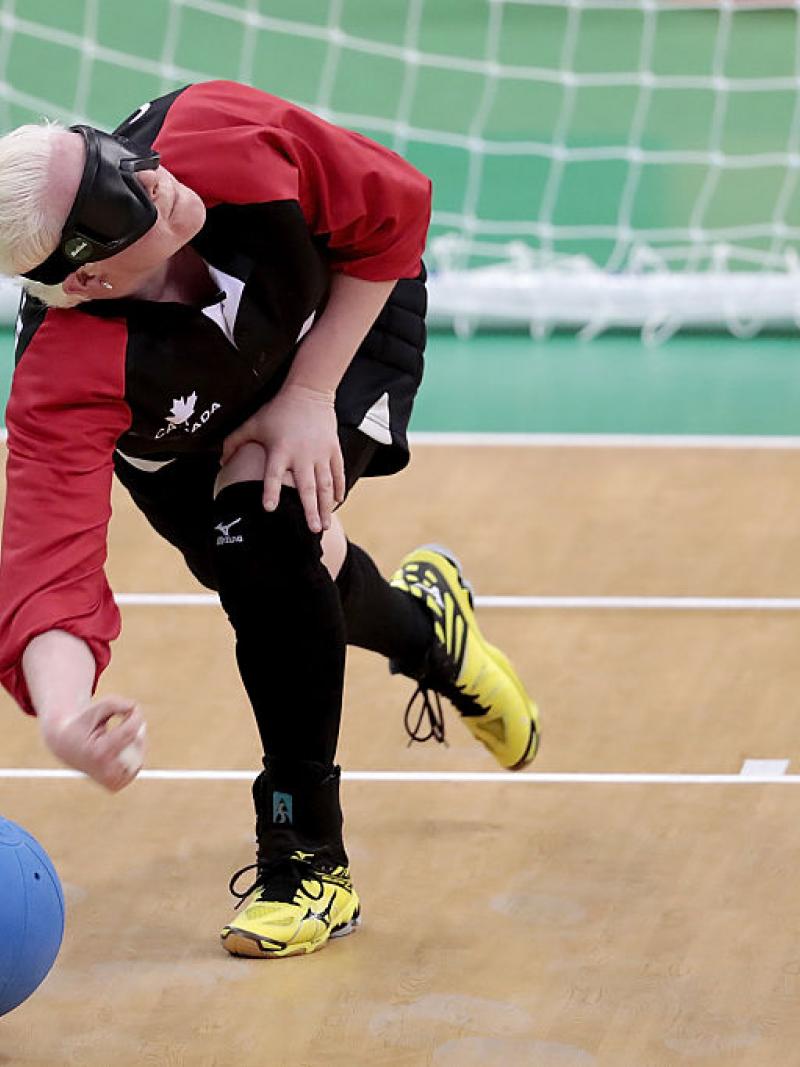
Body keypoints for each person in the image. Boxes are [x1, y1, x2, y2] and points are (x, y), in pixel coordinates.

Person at [0, 80, 540, 959]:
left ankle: (306, 860)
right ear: (89, 276)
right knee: (293, 568)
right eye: (118, 196)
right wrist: (63, 713)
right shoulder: (65, 375)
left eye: (116, 155)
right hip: (182, 451)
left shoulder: (220, 137)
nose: (151, 180)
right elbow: (47, 568)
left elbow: (396, 207)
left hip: (345, 316)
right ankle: (428, 629)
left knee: (266, 541)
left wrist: (311, 392)